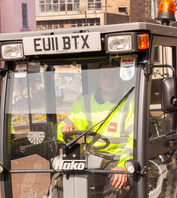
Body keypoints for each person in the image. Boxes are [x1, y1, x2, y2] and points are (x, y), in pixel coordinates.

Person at [57, 62, 134, 191]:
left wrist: (123, 165)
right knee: (60, 180)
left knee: (116, 184)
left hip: (117, 160)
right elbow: (65, 125)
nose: (109, 79)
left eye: (114, 75)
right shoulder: (84, 103)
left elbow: (135, 138)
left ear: (120, 78)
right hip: (92, 159)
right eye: (105, 75)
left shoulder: (130, 103)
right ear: (98, 79)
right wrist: (64, 129)